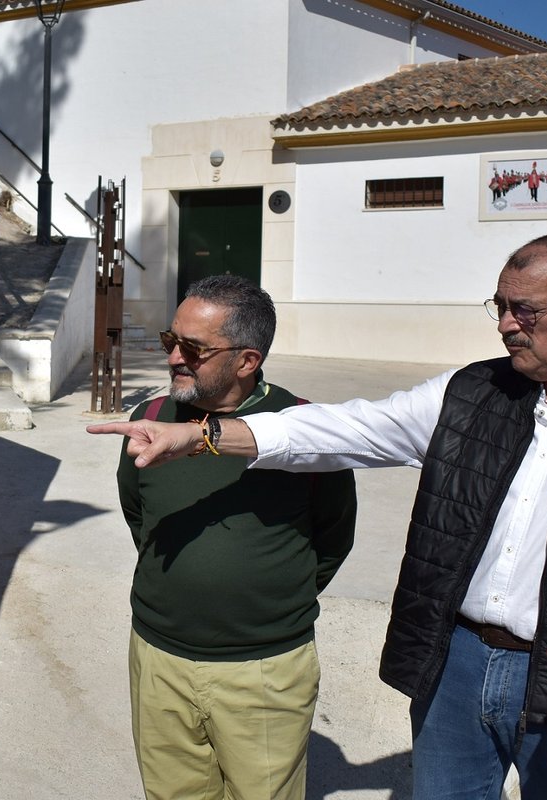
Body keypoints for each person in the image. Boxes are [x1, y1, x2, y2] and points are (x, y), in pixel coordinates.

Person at [91, 234, 547, 800]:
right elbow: (345, 427)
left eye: (528, 311)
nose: (509, 326)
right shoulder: (468, 392)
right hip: (456, 662)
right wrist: (202, 436)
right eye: (500, 307)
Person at [110, 274, 357, 800]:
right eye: (169, 341)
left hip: (264, 671)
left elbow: (333, 536)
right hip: (158, 659)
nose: (174, 357)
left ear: (247, 361)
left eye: (193, 349)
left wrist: (262, 604)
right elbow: (140, 516)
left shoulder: (306, 431)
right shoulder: (150, 419)